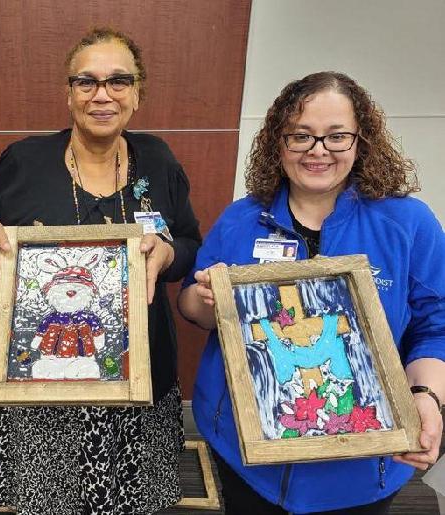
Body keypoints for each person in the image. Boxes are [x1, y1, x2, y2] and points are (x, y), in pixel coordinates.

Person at [178, 71, 445, 514]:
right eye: (301, 136)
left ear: (361, 140)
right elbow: (193, 305)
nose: (318, 150)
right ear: (279, 143)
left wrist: (427, 396)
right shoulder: (242, 219)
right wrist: (206, 298)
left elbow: (436, 327)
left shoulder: (408, 224)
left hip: (361, 465)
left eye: (336, 136)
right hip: (247, 454)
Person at [0, 28, 201, 514]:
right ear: (68, 92)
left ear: (137, 92)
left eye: (118, 81)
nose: (102, 95)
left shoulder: (158, 160)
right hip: (43, 381)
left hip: (140, 371)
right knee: (49, 499)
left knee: (130, 500)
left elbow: (189, 242)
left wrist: (168, 254)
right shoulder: (24, 161)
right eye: (87, 81)